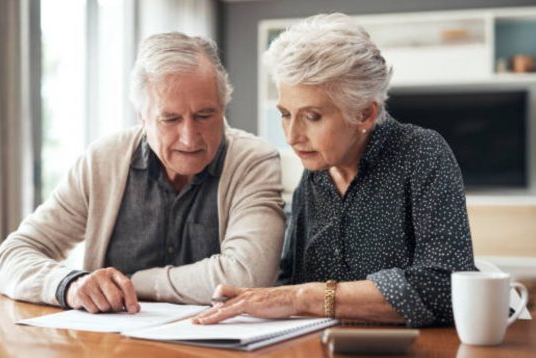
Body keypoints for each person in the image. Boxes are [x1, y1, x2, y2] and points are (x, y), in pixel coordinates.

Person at [193, 13, 476, 328]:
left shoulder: (422, 154)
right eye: (286, 114)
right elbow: (292, 280)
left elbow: (446, 287)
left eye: (312, 116)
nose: (291, 136)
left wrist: (304, 298)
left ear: (365, 114)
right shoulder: (314, 175)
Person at [0, 32, 285, 314]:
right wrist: (71, 285)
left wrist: (136, 281)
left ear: (222, 108)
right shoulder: (102, 161)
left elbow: (248, 275)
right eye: (170, 119)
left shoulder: (253, 161)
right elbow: (11, 256)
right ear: (142, 117)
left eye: (204, 116)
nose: (189, 137)